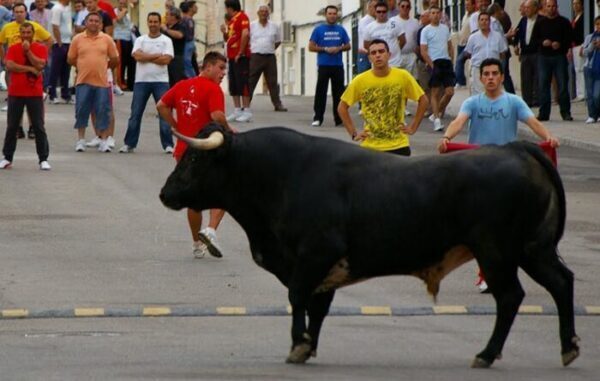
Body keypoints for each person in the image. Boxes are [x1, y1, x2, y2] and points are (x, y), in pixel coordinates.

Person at [437, 58, 559, 293]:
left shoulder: (513, 102)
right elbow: (459, 122)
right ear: (481, 78)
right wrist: (447, 138)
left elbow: (532, 122)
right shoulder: (473, 102)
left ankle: (499, 273)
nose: (491, 78)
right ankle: (486, 274)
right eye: (487, 74)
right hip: (479, 171)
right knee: (482, 228)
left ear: (502, 77)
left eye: (495, 73)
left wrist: (549, 137)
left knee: (506, 228)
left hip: (507, 173)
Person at [156, 51, 233, 259]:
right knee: (222, 192)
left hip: (184, 149)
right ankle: (210, 230)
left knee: (195, 199)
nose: (223, 73)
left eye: (224, 69)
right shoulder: (212, 88)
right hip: (207, 149)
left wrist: (176, 126)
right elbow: (217, 115)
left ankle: (196, 244)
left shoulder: (182, 85)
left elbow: (161, 105)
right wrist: (229, 130)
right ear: (207, 67)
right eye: (220, 68)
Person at [338, 39, 428, 156]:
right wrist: (353, 133)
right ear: (369, 58)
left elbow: (423, 100)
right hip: (370, 147)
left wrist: (413, 126)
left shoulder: (402, 76)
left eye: (381, 51)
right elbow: (342, 107)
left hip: (398, 145)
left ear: (389, 55)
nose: (378, 55)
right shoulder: (360, 80)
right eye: (373, 53)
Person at [119, 12, 174, 154]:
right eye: (150, 21)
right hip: (141, 81)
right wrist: (155, 55)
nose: (153, 24)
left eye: (156, 22)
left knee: (164, 114)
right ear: (147, 22)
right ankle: (129, 143)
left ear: (159, 22)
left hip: (161, 82)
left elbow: (166, 60)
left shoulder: (166, 40)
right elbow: (136, 56)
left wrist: (146, 57)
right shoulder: (140, 40)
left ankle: (168, 144)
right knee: (135, 113)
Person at [67, 11, 119, 153]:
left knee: (103, 111)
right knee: (81, 110)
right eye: (91, 20)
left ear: (101, 24)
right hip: (83, 81)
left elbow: (115, 59)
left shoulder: (107, 39)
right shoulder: (77, 39)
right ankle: (81, 140)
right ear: (86, 22)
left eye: (97, 21)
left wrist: (104, 68)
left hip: (102, 82)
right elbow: (70, 58)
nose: (94, 23)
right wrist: (81, 67)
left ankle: (103, 140)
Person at [0, 22, 50, 170]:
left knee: (38, 126)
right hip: (16, 92)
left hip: (34, 93)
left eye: (29, 32)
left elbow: (40, 65)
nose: (26, 35)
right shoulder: (13, 48)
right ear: (19, 34)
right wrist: (30, 69)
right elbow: (10, 65)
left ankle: (43, 159)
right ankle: (7, 157)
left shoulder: (40, 48)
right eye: (23, 32)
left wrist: (28, 52)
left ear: (33, 33)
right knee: (12, 126)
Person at [308, 5, 350, 127]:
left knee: (339, 93)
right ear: (325, 15)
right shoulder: (318, 29)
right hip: (324, 65)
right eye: (330, 13)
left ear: (337, 15)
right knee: (321, 92)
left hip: (337, 65)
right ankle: (318, 118)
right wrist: (325, 49)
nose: (332, 16)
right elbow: (311, 47)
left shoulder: (341, 30)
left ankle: (339, 119)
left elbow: (348, 45)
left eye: (334, 14)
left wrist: (339, 48)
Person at [532, 0, 573, 121]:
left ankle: (565, 112)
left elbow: (570, 39)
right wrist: (542, 42)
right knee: (543, 85)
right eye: (548, 6)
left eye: (553, 6)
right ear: (544, 7)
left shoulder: (564, 22)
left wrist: (560, 44)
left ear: (557, 7)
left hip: (559, 56)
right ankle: (544, 113)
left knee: (562, 85)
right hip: (544, 57)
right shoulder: (540, 23)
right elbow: (534, 40)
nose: (551, 8)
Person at [419, 5, 454, 132]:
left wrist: (451, 60)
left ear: (440, 14)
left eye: (437, 13)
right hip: (435, 62)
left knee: (449, 92)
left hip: (446, 62)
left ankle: (436, 113)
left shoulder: (445, 28)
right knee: (435, 91)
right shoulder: (425, 31)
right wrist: (432, 65)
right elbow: (423, 51)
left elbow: (450, 46)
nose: (435, 15)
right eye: (432, 13)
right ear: (429, 15)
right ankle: (437, 121)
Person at [247, 5, 287, 112]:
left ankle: (277, 104)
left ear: (268, 13)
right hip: (256, 56)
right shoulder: (252, 26)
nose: (264, 13)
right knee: (251, 81)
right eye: (262, 11)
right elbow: (247, 39)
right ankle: (246, 104)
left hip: (270, 56)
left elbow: (278, 41)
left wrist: (269, 48)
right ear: (258, 13)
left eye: (266, 11)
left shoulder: (274, 26)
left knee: (272, 82)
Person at [464, 11, 507, 95]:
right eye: (482, 20)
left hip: (493, 70)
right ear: (478, 22)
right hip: (478, 69)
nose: (484, 22)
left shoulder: (497, 36)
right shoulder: (473, 37)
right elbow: (468, 53)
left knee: (493, 93)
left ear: (490, 22)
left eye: (486, 20)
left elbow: (502, 54)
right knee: (479, 94)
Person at [223, 0, 252, 123]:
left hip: (241, 56)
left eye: (226, 8)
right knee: (234, 83)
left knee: (243, 83)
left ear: (231, 8)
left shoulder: (242, 17)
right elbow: (230, 38)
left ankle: (246, 110)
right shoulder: (232, 20)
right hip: (231, 56)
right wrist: (224, 33)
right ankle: (237, 110)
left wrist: (240, 52)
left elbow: (245, 34)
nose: (226, 11)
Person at [514, 0, 543, 108]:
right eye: (525, 8)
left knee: (537, 77)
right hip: (525, 53)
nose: (526, 10)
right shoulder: (523, 20)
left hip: (537, 52)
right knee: (525, 77)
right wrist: (516, 45)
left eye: (528, 8)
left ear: (535, 8)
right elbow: (517, 33)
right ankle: (527, 100)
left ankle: (536, 100)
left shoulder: (541, 20)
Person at [363, 1, 405, 69]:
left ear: (387, 12)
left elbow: (403, 40)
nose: (381, 14)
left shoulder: (395, 24)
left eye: (384, 11)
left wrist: (395, 50)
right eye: (379, 12)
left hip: (395, 62)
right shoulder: (369, 27)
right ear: (375, 12)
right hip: (378, 64)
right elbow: (366, 45)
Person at [48, 0, 73, 104]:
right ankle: (52, 94)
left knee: (66, 70)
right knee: (55, 69)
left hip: (68, 42)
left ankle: (65, 94)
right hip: (59, 43)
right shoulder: (56, 9)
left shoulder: (67, 8)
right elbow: (55, 26)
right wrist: (59, 43)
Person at [582, 16, 600, 123]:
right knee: (589, 93)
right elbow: (583, 52)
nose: (599, 26)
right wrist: (591, 47)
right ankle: (592, 115)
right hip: (589, 67)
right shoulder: (590, 37)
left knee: (597, 95)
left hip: (598, 69)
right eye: (597, 24)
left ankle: (598, 112)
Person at [161, 6, 185, 87]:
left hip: (176, 58)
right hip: (165, 57)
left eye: (167, 15)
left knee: (176, 81)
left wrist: (166, 30)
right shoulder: (165, 27)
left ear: (174, 16)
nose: (166, 17)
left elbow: (179, 35)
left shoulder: (181, 25)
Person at [113, 0, 134, 92]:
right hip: (119, 38)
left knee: (130, 62)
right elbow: (117, 19)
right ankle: (120, 83)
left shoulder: (128, 14)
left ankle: (130, 84)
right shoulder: (115, 11)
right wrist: (123, 11)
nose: (122, 5)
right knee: (120, 63)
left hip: (128, 39)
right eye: (121, 3)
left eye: (124, 3)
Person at [455, 0, 476, 88]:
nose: (466, 7)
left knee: (459, 60)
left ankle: (461, 82)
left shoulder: (474, 17)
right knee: (458, 62)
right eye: (465, 5)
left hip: (468, 44)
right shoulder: (465, 15)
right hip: (461, 43)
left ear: (473, 5)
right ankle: (459, 81)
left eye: (468, 5)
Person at [356, 0, 376, 75]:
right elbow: (367, 37)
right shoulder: (364, 21)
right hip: (364, 54)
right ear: (369, 7)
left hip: (373, 52)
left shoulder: (376, 20)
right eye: (374, 7)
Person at [571, 0, 585, 102]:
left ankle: (583, 93)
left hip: (581, 45)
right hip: (574, 46)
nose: (575, 6)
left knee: (581, 69)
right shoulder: (575, 17)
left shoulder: (583, 17)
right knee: (577, 69)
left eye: (577, 4)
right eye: (574, 4)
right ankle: (578, 92)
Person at [180, 0, 197, 79]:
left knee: (187, 62)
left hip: (188, 42)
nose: (196, 8)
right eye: (194, 6)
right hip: (188, 42)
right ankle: (191, 77)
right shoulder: (187, 19)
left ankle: (191, 77)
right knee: (187, 62)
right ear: (190, 8)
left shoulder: (187, 19)